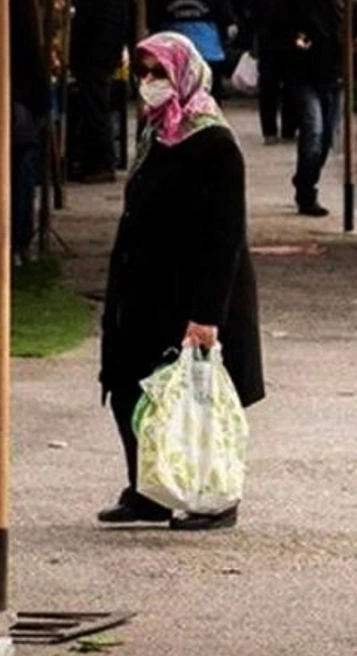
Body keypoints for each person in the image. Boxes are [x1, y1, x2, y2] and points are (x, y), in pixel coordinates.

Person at [98, 32, 263, 531]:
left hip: (191, 292)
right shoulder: (155, 131)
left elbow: (224, 236)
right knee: (132, 388)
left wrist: (207, 314)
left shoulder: (212, 140)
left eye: (159, 74)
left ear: (184, 76)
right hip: (144, 287)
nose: (148, 84)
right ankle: (148, 490)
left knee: (195, 399)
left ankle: (213, 497)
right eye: (143, 73)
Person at [279, 0, 357, 216]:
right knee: (313, 132)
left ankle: (305, 179)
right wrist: (296, 40)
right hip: (304, 75)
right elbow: (281, 28)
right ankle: (307, 193)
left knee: (327, 138)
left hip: (336, 77)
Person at [147, 0, 239, 99]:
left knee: (172, 100)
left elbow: (150, 25)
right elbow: (230, 26)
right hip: (208, 55)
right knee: (209, 102)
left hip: (172, 55)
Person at [70, 0, 129, 183]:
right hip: (98, 59)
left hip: (96, 60)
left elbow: (105, 30)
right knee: (94, 109)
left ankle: (101, 163)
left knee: (96, 110)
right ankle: (93, 161)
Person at [251, 0, 304, 143]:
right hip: (290, 43)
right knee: (291, 87)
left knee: (268, 88)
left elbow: (253, 13)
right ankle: (289, 129)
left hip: (267, 42)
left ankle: (269, 132)